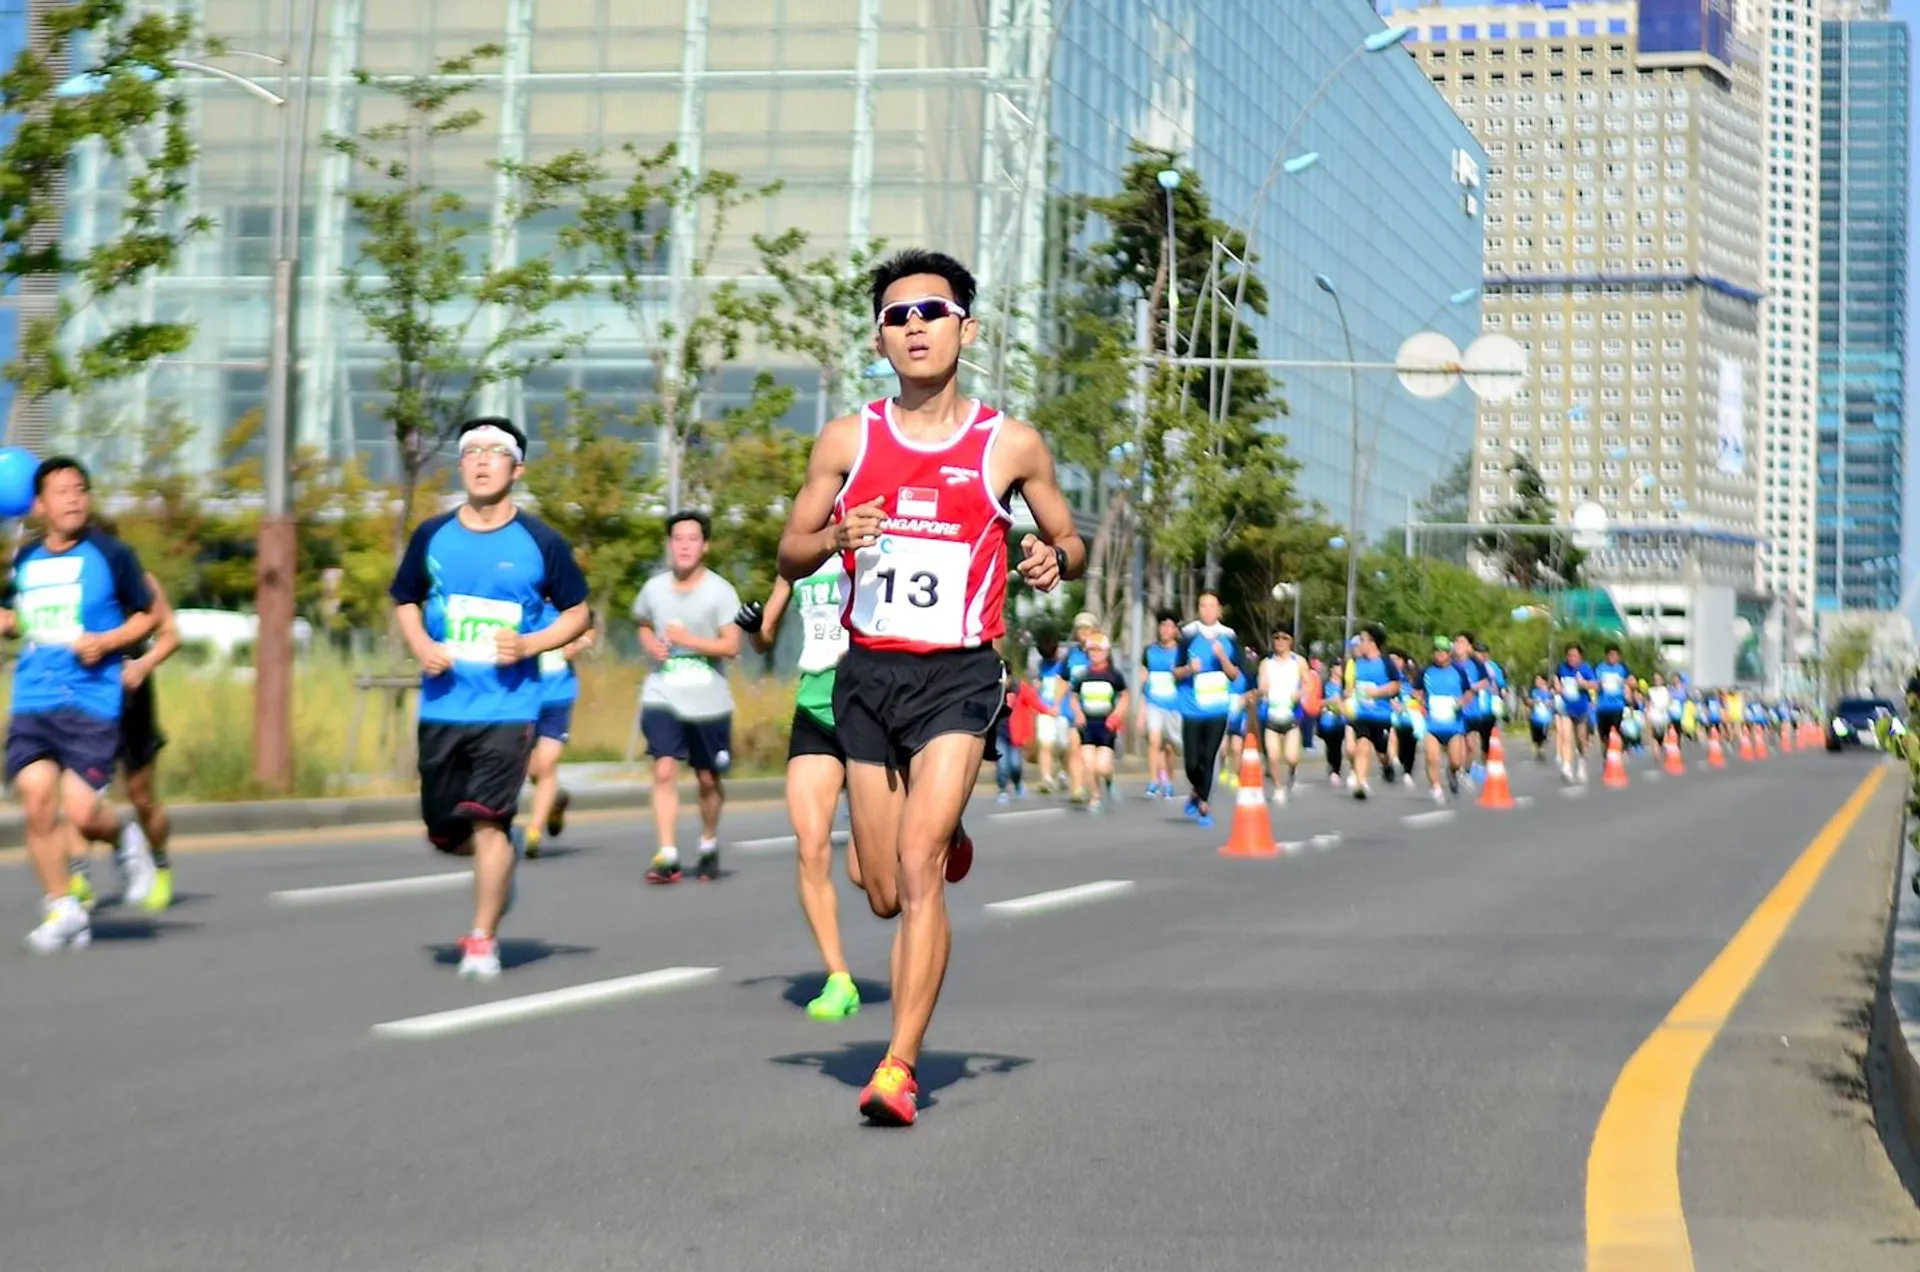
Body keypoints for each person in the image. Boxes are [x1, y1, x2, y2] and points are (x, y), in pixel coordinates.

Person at [775, 247, 1084, 1126]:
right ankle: (937, 839)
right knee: (879, 889)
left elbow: (1070, 538)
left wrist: (1050, 558)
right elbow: (788, 553)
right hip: (866, 676)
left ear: (967, 328)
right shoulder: (848, 439)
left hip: (958, 676)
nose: (914, 326)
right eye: (896, 316)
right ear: (879, 339)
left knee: (917, 872)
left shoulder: (1008, 444)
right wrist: (836, 536)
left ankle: (899, 1066)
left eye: (931, 311)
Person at [389, 417, 590, 980]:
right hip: (443, 705)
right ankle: (497, 878)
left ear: (516, 469)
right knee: (445, 832)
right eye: (471, 451)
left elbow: (579, 613)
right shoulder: (432, 535)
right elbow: (405, 598)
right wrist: (422, 644)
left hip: (509, 708)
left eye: (495, 452)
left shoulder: (541, 542)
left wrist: (530, 643)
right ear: (461, 465)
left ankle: (482, 938)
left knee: (491, 823)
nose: (481, 460)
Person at [5, 458, 158, 951]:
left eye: (80, 489)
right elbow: (21, 618)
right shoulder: (25, 560)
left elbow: (147, 618)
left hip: (91, 700)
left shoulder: (112, 554)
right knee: (36, 799)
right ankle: (62, 907)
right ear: (40, 505)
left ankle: (124, 837)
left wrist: (109, 640)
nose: (73, 498)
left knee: (83, 814)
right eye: (62, 491)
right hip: (34, 696)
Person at [735, 557, 866, 1020]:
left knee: (868, 877)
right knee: (811, 845)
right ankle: (839, 978)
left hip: (872, 708)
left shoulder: (880, 534)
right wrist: (754, 627)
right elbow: (765, 636)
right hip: (814, 707)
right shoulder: (799, 554)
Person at [634, 511, 742, 885]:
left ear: (705, 545)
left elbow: (731, 645)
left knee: (708, 779)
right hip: (663, 692)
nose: (684, 545)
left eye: (692, 539)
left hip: (709, 700)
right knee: (664, 768)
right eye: (677, 538)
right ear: (670, 544)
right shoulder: (653, 589)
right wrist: (651, 645)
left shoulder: (721, 591)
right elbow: (643, 623)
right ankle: (667, 854)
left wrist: (687, 641)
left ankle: (708, 843)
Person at [115, 566, 181, 910]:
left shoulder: (137, 577)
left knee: (140, 795)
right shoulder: (55, 571)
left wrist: (143, 664)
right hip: (78, 693)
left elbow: (171, 634)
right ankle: (76, 875)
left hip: (131, 692)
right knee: (76, 794)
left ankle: (160, 865)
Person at [521, 607, 593, 860]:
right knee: (532, 769)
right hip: (524, 696)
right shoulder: (523, 598)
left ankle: (533, 833)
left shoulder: (566, 603)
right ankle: (556, 798)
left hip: (558, 695)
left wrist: (580, 643)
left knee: (548, 762)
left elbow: (589, 624)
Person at [1175, 592, 1239, 828]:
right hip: (1192, 709)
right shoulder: (1188, 635)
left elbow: (1235, 674)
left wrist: (1222, 659)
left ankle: (1204, 804)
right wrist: (1189, 669)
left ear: (1219, 610)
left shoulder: (1229, 637)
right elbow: (1175, 672)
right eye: (1203, 605)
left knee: (1208, 757)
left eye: (1212, 606)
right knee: (1192, 763)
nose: (1208, 610)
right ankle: (1197, 789)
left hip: (1217, 709)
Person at [1069, 632, 1127, 813]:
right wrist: (1078, 712)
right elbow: (1074, 696)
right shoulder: (1082, 675)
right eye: (1091, 650)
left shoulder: (1114, 675)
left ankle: (1109, 781)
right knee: (1088, 763)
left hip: (1106, 726)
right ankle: (1095, 797)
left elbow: (1125, 696)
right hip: (1087, 724)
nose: (1095, 654)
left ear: (1106, 652)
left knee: (1102, 767)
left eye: (1098, 650)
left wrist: (1117, 715)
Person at [1343, 624, 1400, 800]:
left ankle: (1387, 764)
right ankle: (1360, 783)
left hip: (1381, 715)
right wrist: (1349, 694)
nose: (1359, 643)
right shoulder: (1356, 663)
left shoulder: (1386, 662)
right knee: (1363, 745)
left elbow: (1396, 686)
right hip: (1361, 714)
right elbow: (1350, 686)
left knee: (1382, 753)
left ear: (1372, 643)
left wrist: (1377, 692)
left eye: (1362, 639)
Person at [1418, 638, 1471, 802]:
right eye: (1436, 650)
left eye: (1443, 651)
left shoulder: (1458, 671)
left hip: (1453, 724)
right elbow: (1416, 691)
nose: (1439, 654)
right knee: (1431, 758)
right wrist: (1420, 702)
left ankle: (1452, 772)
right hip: (1432, 723)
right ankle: (1436, 787)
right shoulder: (1426, 671)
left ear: (1449, 653)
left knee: (1455, 761)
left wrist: (1461, 702)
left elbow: (1469, 692)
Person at [1258, 628, 1307, 803]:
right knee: (1272, 755)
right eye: (1276, 637)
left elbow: (1308, 684)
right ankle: (1279, 787)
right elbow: (1262, 681)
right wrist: (1262, 688)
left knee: (1291, 756)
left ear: (1291, 641)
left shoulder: (1299, 661)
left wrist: (1300, 693)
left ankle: (1292, 772)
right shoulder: (1266, 663)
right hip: (1272, 713)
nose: (1280, 641)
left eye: (1284, 638)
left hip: (1291, 715)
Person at [1140, 613, 1183, 798]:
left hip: (1174, 705)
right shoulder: (1149, 651)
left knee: (1170, 747)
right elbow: (1144, 679)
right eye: (1162, 626)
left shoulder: (1182, 653)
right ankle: (1153, 781)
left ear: (1175, 629)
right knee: (1154, 741)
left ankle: (1169, 780)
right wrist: (1141, 708)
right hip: (1153, 703)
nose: (1165, 630)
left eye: (1169, 626)